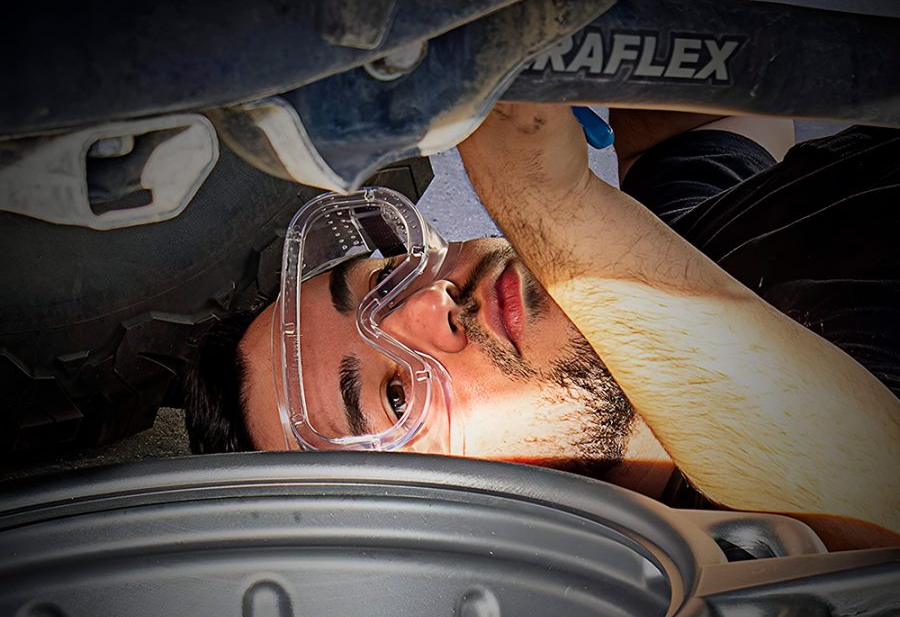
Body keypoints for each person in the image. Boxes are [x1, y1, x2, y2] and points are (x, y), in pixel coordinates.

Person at [184, 103, 900, 550]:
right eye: (395, 396)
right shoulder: (764, 561)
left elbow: (715, 131)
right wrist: (546, 197)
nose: (429, 303)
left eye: (382, 281)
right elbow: (878, 504)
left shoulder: (668, 247)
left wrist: (614, 66)